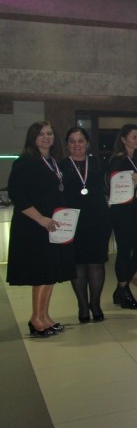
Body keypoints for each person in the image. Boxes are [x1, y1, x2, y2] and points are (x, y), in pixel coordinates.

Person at [7, 121, 76, 337]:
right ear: (33, 138)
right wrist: (40, 219)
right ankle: (36, 319)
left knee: (50, 273)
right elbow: (17, 195)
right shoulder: (25, 162)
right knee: (41, 274)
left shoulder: (53, 162)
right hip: (34, 226)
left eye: (50, 133)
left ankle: (44, 316)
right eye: (41, 134)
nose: (46, 137)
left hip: (51, 226)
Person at [60, 127, 112, 322]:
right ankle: (82, 305)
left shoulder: (99, 163)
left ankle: (95, 303)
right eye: (72, 141)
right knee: (78, 264)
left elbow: (110, 186)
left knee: (97, 263)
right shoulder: (61, 166)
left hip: (98, 219)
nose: (77, 145)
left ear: (87, 144)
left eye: (80, 141)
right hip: (72, 221)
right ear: (67, 145)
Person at [107, 124, 137, 310]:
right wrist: (136, 193)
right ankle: (124, 291)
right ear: (123, 139)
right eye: (134, 137)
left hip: (136, 211)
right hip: (122, 212)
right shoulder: (118, 161)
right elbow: (114, 190)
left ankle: (121, 288)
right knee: (125, 251)